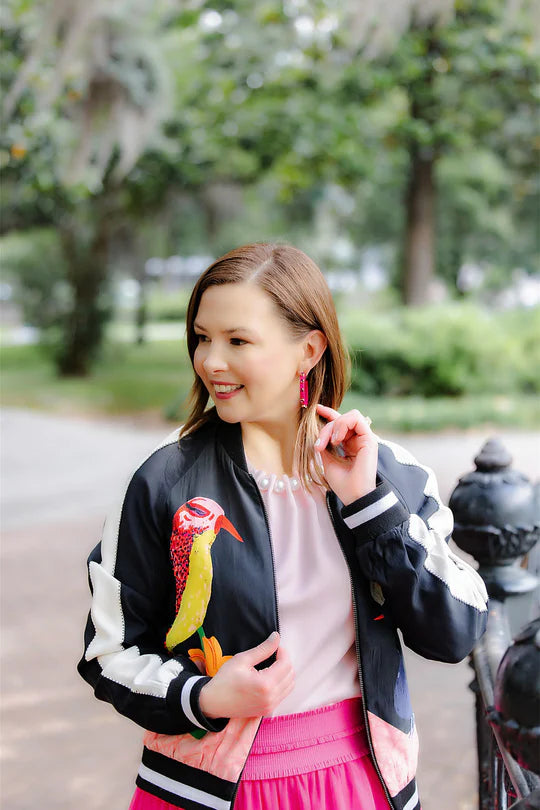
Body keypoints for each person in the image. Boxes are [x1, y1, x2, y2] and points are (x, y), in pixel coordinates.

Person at [78, 243, 488, 810]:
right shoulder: (164, 482)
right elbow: (109, 652)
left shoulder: (387, 473)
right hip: (206, 789)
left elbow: (457, 629)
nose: (209, 361)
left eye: (237, 341)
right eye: (202, 337)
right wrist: (204, 696)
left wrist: (370, 505)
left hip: (360, 783)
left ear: (308, 350)